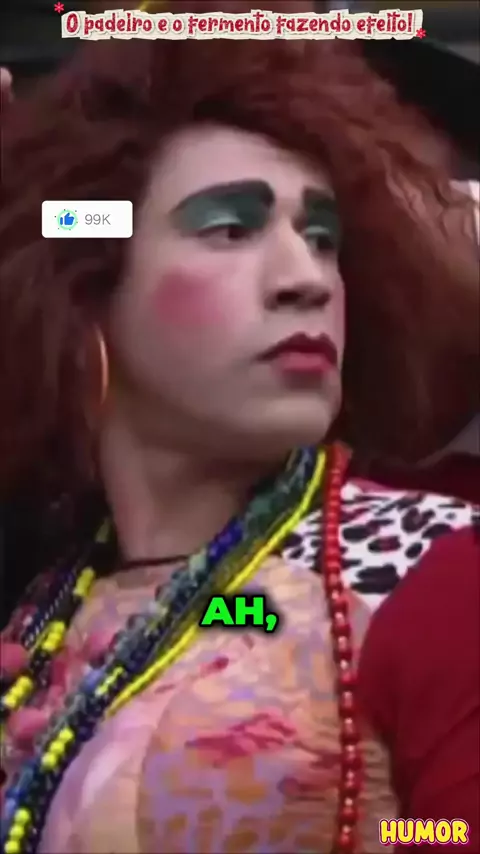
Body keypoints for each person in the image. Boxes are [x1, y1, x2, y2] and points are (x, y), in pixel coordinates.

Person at [0, 22, 479, 854]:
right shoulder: (44, 599)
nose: (305, 277)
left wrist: (396, 833)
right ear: (88, 285)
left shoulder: (438, 575)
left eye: (324, 239)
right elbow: (53, 224)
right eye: (229, 228)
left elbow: (456, 830)